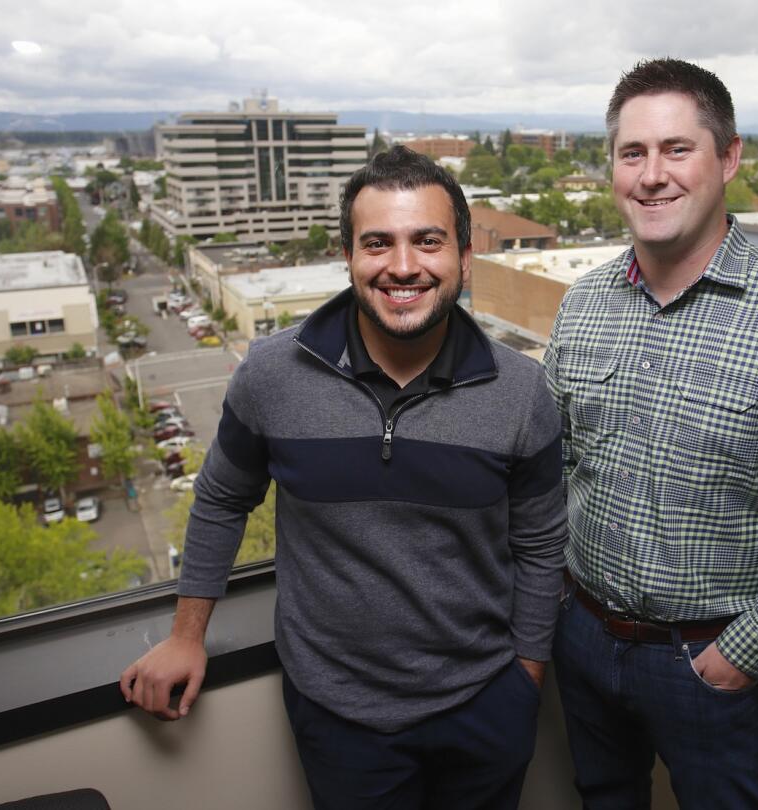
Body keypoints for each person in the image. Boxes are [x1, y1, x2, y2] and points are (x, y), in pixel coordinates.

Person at [121, 145, 568, 810]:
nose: (403, 266)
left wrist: (524, 679)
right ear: (350, 257)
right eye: (378, 243)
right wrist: (188, 636)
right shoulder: (272, 375)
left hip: (484, 706)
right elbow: (220, 498)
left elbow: (540, 546)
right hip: (339, 716)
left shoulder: (522, 391)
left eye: (428, 241)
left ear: (465, 260)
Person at [544, 58, 758, 809]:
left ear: (728, 159)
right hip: (585, 636)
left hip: (707, 657)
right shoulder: (584, 305)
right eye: (633, 154)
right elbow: (557, 461)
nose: (652, 175)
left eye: (676, 149)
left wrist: (743, 653)